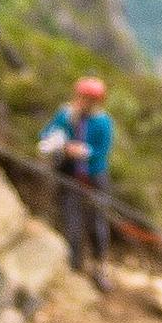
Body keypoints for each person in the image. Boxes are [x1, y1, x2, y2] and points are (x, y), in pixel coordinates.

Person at [37, 75, 118, 280]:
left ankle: (100, 266)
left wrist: (85, 152)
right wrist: (63, 146)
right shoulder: (66, 115)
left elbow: (102, 150)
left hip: (94, 175)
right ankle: (74, 264)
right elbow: (47, 134)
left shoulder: (102, 123)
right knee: (71, 217)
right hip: (69, 173)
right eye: (83, 97)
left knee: (97, 220)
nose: (85, 102)